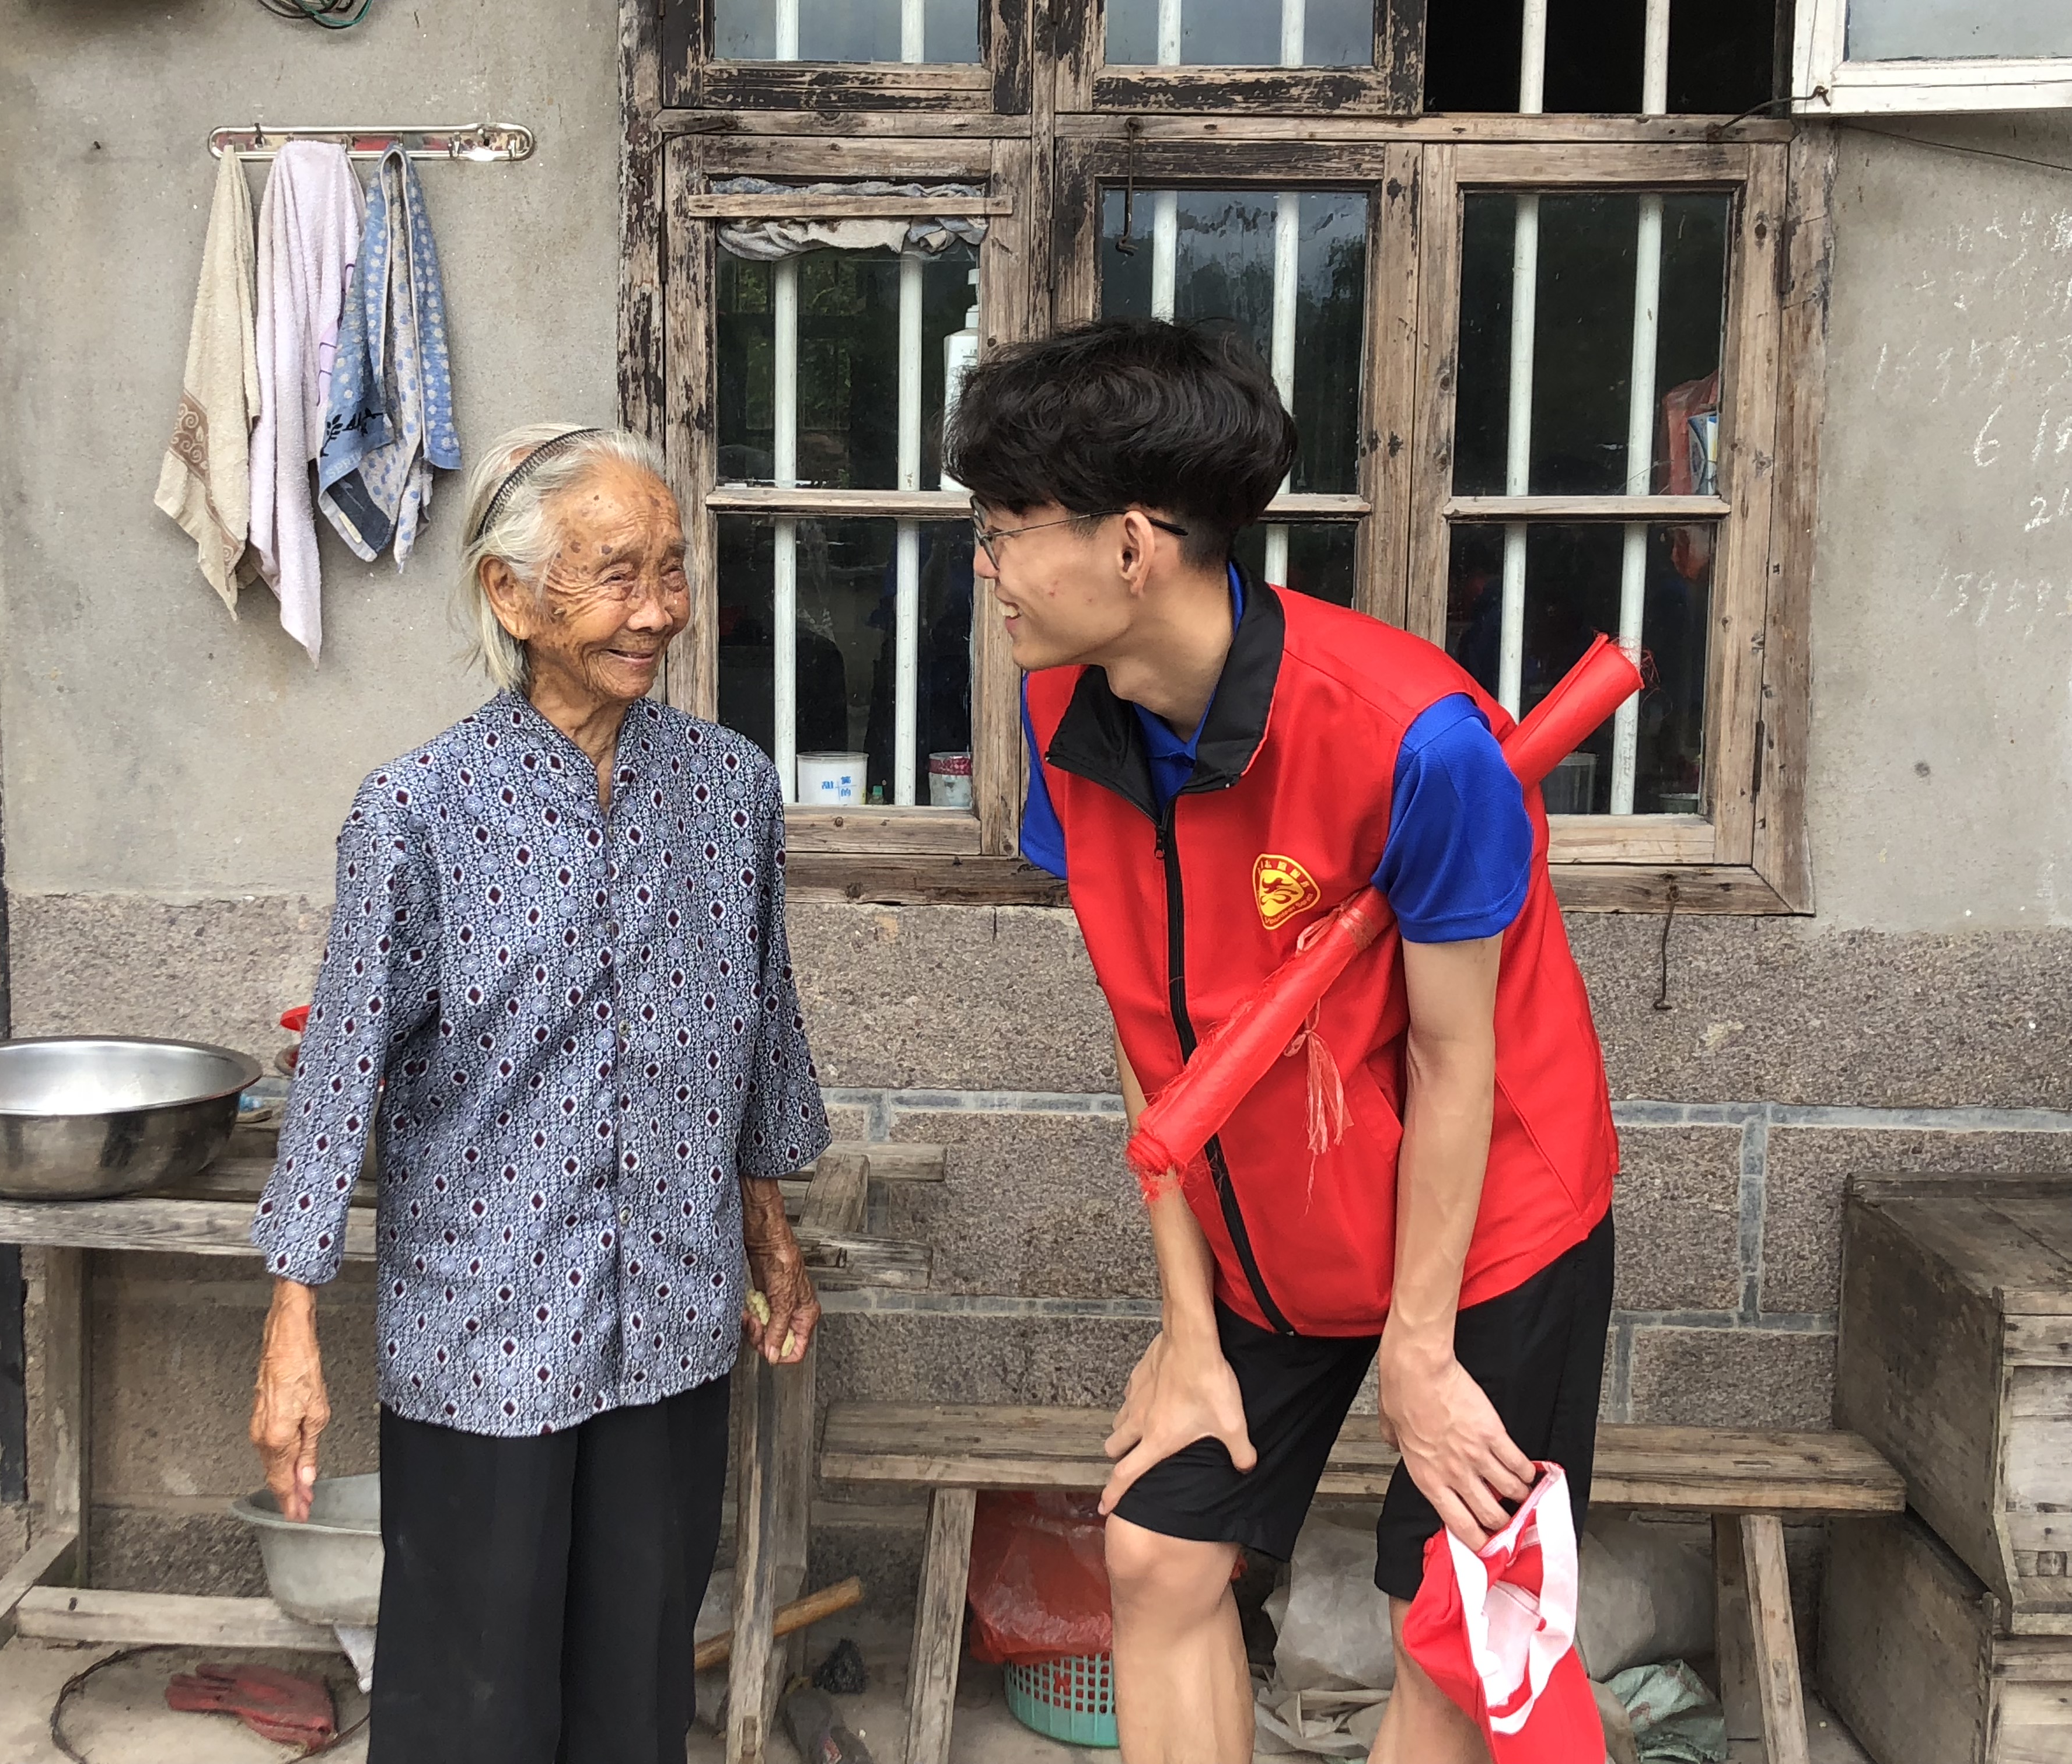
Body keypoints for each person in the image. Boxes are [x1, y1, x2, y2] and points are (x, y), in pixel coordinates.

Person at [944, 321, 1617, 1764]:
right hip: (1273, 1215)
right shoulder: (1063, 708)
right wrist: (1189, 1331)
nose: (985, 566)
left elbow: (1457, 1063)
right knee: (1158, 1556)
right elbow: (1150, 1045)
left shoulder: (1414, 739)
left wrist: (1421, 1356)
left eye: (1002, 532)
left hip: (1489, 1221)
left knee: (1449, 1620)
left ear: (1134, 547)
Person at [248, 422, 832, 1764]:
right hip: (487, 1334)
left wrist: (768, 1228)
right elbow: (339, 1076)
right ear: (511, 597)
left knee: (636, 1693)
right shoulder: (419, 812)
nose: (660, 610)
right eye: (618, 574)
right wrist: (292, 1324)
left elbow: (761, 1026)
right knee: (474, 1706)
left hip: (672, 1317)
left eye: (672, 571)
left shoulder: (729, 791)